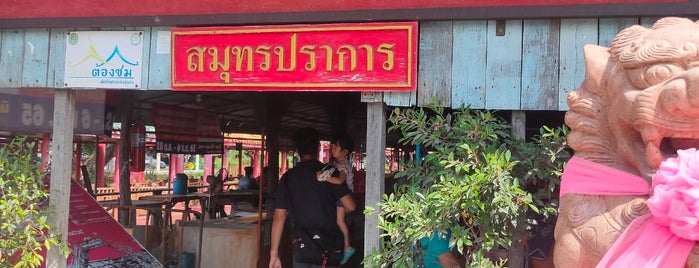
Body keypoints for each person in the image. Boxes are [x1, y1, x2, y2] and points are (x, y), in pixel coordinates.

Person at [269, 127, 356, 268]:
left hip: (302, 247)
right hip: (329, 248)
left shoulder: (288, 178)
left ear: (297, 150)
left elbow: (279, 217)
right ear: (318, 147)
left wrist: (274, 254)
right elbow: (351, 206)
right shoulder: (330, 173)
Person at [316, 134, 356, 265]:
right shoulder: (336, 163)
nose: (332, 148)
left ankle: (347, 246)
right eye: (332, 146)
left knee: (340, 221)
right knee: (339, 221)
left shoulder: (343, 165)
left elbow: (339, 181)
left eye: (335, 147)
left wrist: (324, 177)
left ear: (345, 152)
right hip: (341, 196)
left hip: (345, 195)